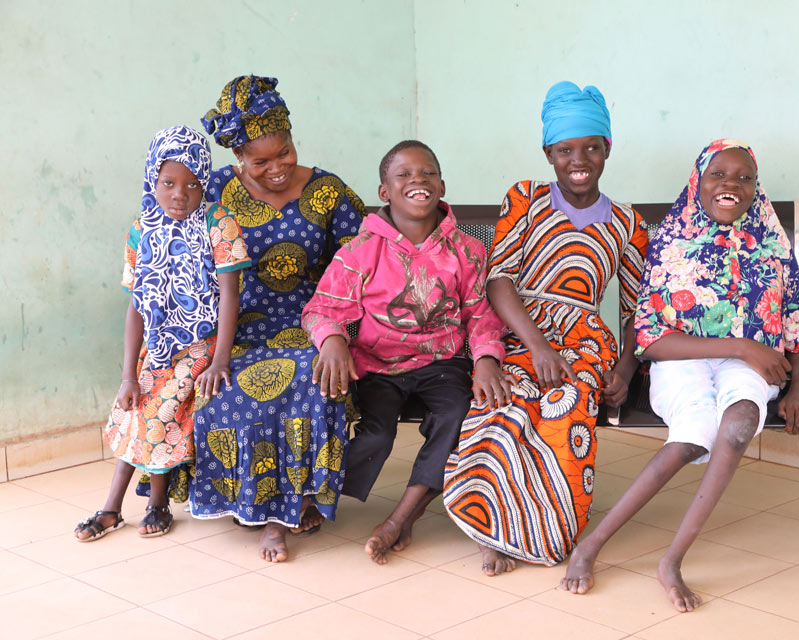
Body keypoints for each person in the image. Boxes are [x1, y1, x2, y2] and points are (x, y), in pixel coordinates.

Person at [560, 139, 799, 611]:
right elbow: (651, 339)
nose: (731, 185)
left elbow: (797, 315)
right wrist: (741, 345)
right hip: (684, 360)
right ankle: (590, 546)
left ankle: (672, 560)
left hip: (751, 365)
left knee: (739, 423)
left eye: (744, 178)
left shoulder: (770, 239)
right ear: (698, 181)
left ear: (755, 188)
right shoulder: (672, 242)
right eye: (718, 174)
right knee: (692, 438)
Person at [442, 82, 649, 576]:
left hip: (582, 338)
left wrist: (624, 368)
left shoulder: (627, 222)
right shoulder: (526, 198)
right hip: (518, 328)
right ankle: (486, 529)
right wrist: (536, 346)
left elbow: (635, 310)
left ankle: (544, 530)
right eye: (565, 151)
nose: (579, 159)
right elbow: (498, 279)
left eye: (591, 148)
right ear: (549, 154)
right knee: (501, 401)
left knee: (567, 404)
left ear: (607, 150)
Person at [302, 140, 509, 564]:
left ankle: (400, 517)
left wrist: (486, 360)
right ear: (385, 192)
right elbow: (322, 308)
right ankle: (321, 496)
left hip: (443, 364)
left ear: (441, 185)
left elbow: (482, 315)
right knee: (376, 433)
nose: (418, 180)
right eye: (405, 175)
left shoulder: (466, 252)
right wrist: (334, 339)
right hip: (379, 366)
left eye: (428, 173)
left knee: (454, 418)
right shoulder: (362, 250)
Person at [190, 75, 366, 563]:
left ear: (292, 138)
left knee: (312, 378)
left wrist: (337, 333)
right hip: (237, 324)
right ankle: (250, 499)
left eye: (283, 152)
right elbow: (191, 261)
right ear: (238, 158)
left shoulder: (329, 192)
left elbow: (359, 265)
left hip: (313, 319)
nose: (276, 168)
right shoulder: (218, 191)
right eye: (259, 161)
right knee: (224, 384)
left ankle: (295, 502)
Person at [74, 126, 249, 541]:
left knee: (156, 416)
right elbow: (136, 305)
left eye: (191, 185)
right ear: (153, 178)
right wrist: (128, 374)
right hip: (156, 345)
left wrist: (220, 358)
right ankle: (117, 508)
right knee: (132, 409)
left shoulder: (218, 222)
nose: (179, 195)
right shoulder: (142, 227)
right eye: (168, 183)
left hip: (202, 341)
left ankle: (148, 505)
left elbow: (229, 298)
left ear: (203, 183)